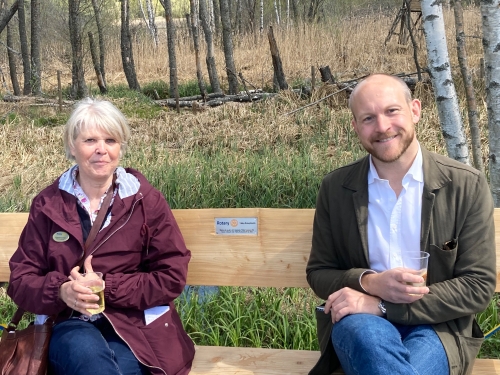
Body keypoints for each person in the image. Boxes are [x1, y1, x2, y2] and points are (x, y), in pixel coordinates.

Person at [306, 74, 496, 375]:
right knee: (368, 342)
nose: (382, 127)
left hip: (438, 327)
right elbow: (319, 272)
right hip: (360, 324)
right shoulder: (336, 188)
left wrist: (382, 305)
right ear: (355, 127)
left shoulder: (464, 185)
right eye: (368, 118)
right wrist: (368, 283)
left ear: (415, 111)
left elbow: (478, 285)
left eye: (391, 111)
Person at [7, 98, 195, 375]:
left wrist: (108, 287)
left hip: (135, 327)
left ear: (121, 147)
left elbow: (171, 276)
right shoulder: (48, 204)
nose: (101, 150)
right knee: (91, 364)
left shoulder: (146, 201)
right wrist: (62, 291)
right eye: (90, 140)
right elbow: (21, 280)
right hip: (68, 323)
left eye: (110, 140)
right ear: (72, 146)